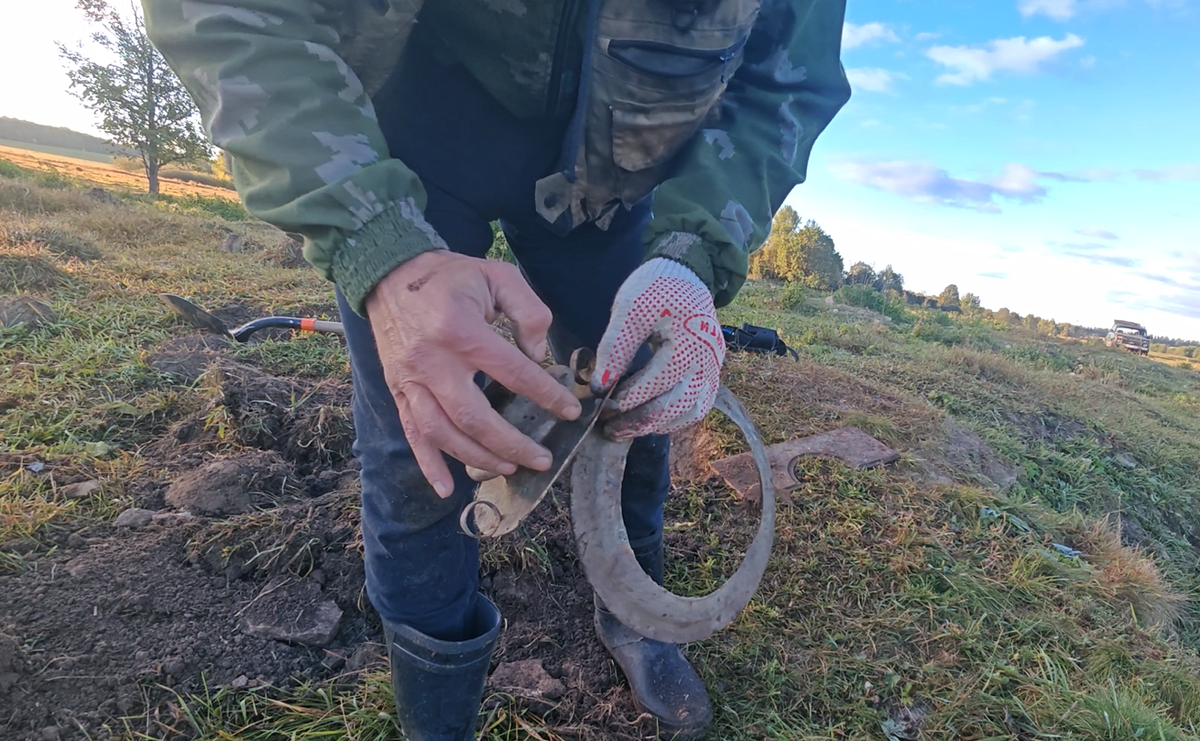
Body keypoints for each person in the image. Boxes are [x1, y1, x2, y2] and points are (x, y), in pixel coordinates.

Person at [142, 0, 850, 738]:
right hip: (424, 115)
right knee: (420, 442)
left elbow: (785, 84)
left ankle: (641, 619)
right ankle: (437, 711)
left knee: (637, 391)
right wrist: (378, 246)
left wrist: (691, 252)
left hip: (616, 167)